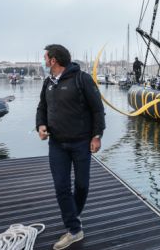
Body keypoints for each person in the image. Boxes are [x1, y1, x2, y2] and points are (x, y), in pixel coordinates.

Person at [36, 44, 105, 250]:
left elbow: (98, 110)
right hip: (57, 144)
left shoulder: (81, 79)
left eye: (45, 58)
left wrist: (97, 136)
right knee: (61, 187)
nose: (44, 61)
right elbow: (42, 107)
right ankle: (74, 229)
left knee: (82, 185)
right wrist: (41, 125)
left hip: (81, 143)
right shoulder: (47, 82)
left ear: (53, 60)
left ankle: (73, 215)